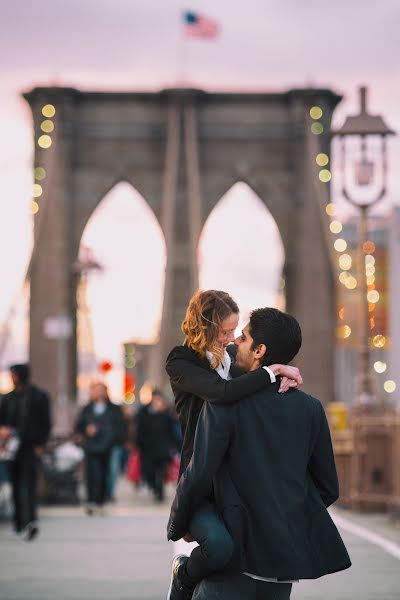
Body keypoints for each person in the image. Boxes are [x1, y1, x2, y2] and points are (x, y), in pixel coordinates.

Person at [167, 307, 351, 600]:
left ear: (259, 350)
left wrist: (181, 522)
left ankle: (182, 578)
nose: (234, 341)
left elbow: (199, 472)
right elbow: (328, 487)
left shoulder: (224, 404)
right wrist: (287, 516)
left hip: (233, 555)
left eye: (243, 336)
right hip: (282, 558)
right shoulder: (311, 409)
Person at [165, 290, 303, 599]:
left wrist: (283, 376)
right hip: (199, 478)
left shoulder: (231, 359)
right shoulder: (181, 361)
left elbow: (253, 385)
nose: (231, 338)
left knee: (246, 549)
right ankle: (183, 575)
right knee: (219, 546)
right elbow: (221, 393)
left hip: (235, 478)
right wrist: (273, 370)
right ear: (206, 327)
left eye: (235, 331)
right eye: (225, 331)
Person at [0, 363, 51, 541]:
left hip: (30, 447)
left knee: (28, 485)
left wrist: (41, 444)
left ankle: (31, 521)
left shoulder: (39, 397)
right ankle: (19, 523)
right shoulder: (7, 398)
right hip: (12, 449)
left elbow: (46, 422)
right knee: (15, 485)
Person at [75, 382, 116, 514]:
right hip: (91, 446)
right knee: (91, 474)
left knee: (104, 474)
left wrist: (111, 439)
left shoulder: (113, 409)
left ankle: (101, 501)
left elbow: (118, 427)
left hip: (106, 447)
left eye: (100, 390)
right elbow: (79, 425)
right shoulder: (87, 408)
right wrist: (86, 429)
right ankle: (91, 501)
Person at [135, 389, 180, 502]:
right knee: (149, 471)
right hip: (148, 447)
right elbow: (139, 428)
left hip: (163, 447)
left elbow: (172, 430)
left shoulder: (166, 413)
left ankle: (160, 493)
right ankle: (153, 486)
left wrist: (176, 445)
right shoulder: (144, 411)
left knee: (161, 471)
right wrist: (139, 443)